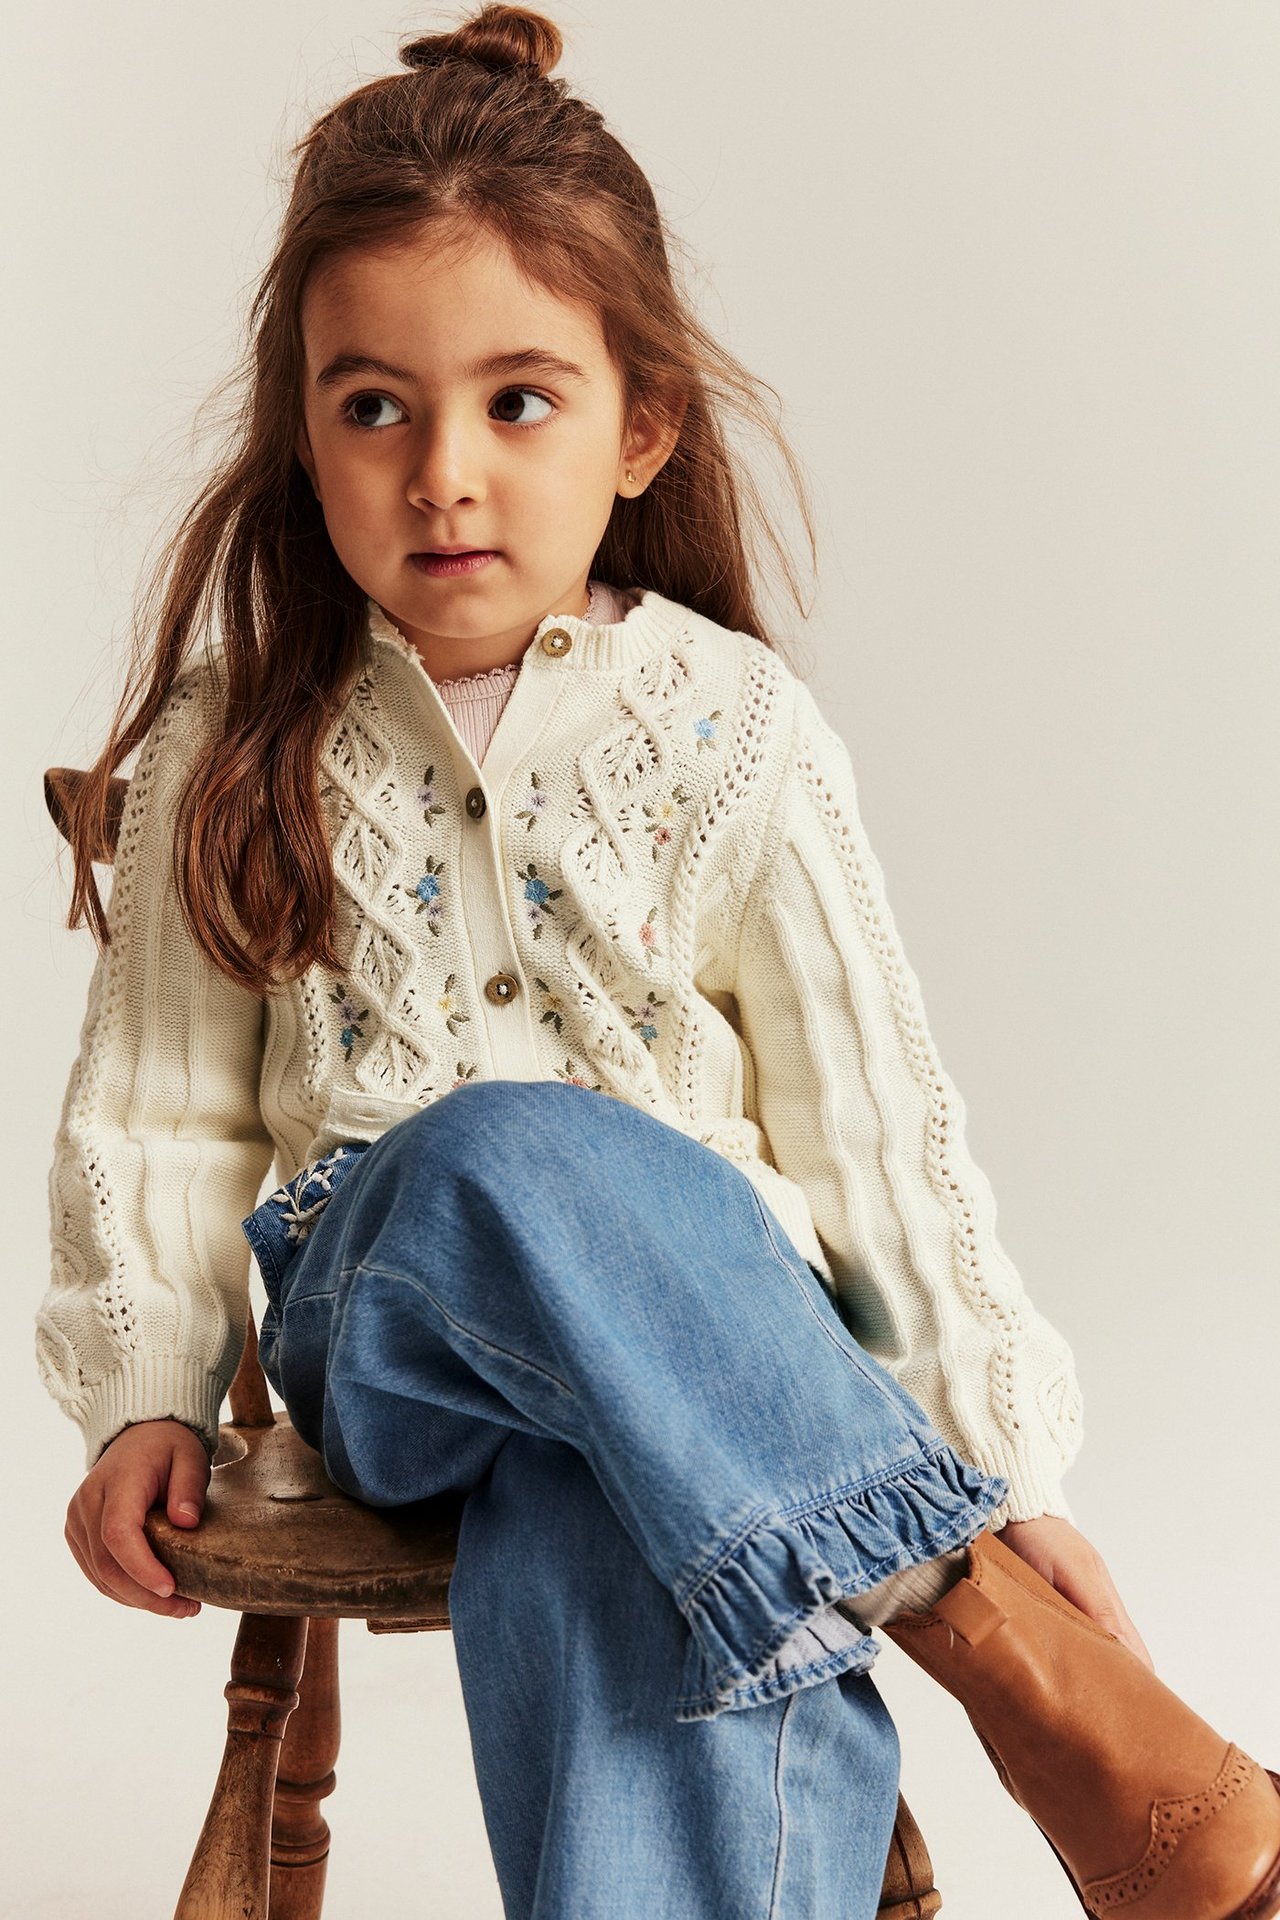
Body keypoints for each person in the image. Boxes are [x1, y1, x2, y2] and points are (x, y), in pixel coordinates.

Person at [38, 7, 1280, 1917]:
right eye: (374, 405)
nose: (443, 469)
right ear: (307, 433)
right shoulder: (239, 736)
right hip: (392, 1321)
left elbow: (874, 1129)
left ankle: (858, 1607)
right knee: (497, 1146)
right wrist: (142, 1386)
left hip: (715, 1387)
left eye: (516, 401)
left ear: (644, 425)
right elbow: (161, 1111)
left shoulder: (733, 733)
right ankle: (967, 1632)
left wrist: (1005, 1449)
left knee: (604, 1518)